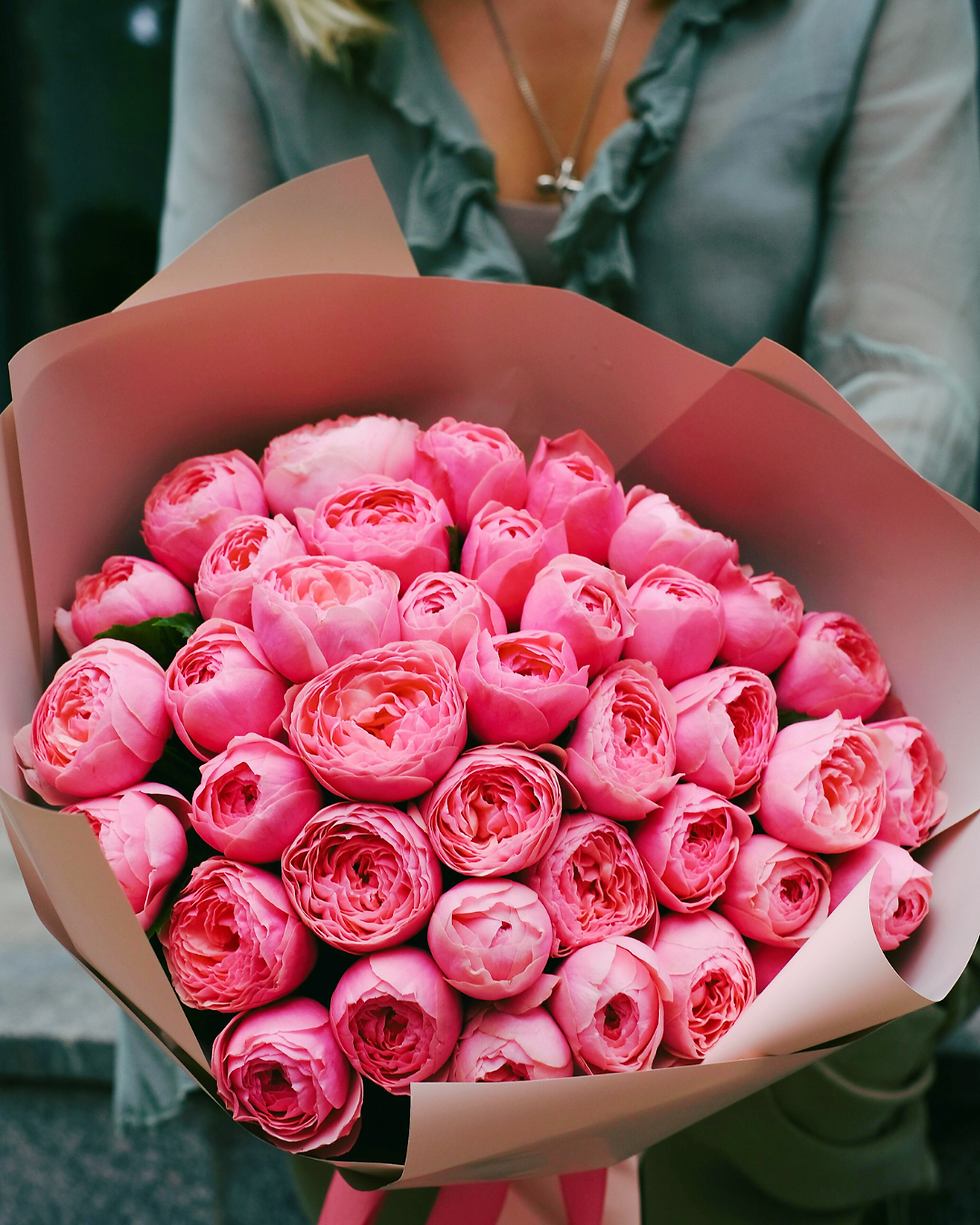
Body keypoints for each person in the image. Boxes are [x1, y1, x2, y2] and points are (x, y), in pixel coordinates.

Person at [119, 1, 980, 1221]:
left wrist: (700, 677)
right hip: (351, 953)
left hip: (760, 897)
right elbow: (192, 369)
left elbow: (913, 388)